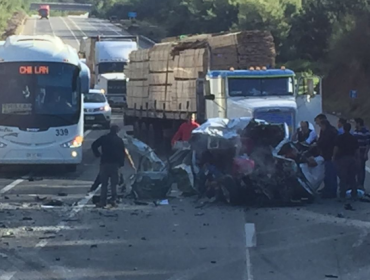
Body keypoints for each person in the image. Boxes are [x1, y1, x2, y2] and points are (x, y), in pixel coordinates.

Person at [91, 124, 125, 208]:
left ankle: (103, 202)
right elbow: (122, 153)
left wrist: (98, 154)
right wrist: (121, 164)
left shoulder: (104, 138)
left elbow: (94, 145)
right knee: (114, 184)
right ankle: (113, 200)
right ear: (117, 131)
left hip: (105, 163)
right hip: (115, 165)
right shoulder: (119, 140)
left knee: (104, 184)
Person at [333, 123, 359, 198]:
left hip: (342, 159)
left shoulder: (340, 137)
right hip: (352, 158)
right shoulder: (353, 138)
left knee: (343, 177)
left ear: (344, 128)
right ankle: (354, 193)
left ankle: (342, 195)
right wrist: (357, 159)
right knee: (352, 177)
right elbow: (357, 150)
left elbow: (336, 148)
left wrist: (334, 156)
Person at [317, 119, 338, 198]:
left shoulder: (329, 132)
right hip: (328, 155)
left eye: (320, 125)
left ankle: (331, 192)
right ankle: (328, 189)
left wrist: (317, 144)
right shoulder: (331, 130)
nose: (320, 127)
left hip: (329, 156)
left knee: (330, 174)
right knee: (328, 174)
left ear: (324, 125)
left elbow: (323, 142)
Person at [353, 118, 370, 190]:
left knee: (361, 169)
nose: (355, 125)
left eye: (356, 123)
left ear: (359, 123)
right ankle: (357, 183)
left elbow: (368, 144)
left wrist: (366, 153)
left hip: (362, 152)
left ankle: (361, 184)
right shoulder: (355, 131)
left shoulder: (366, 132)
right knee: (356, 168)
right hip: (355, 152)